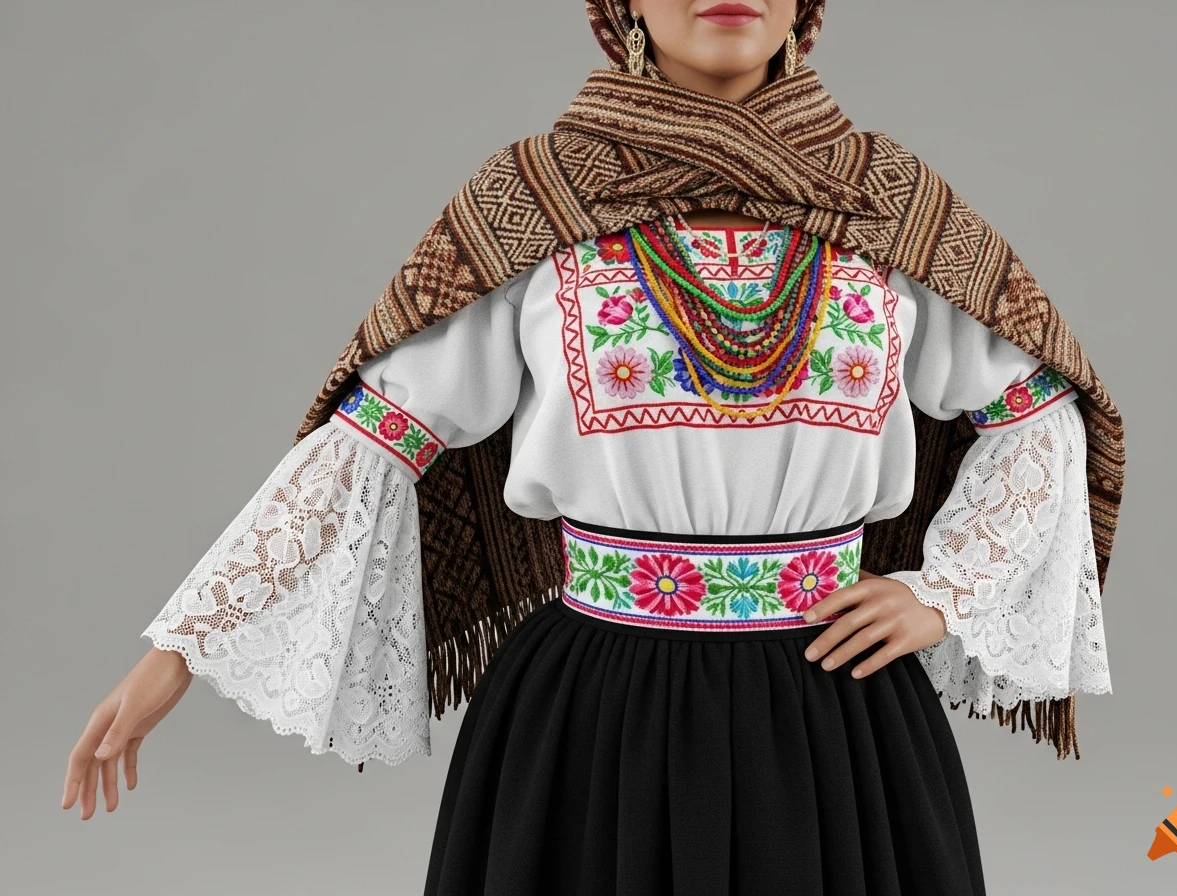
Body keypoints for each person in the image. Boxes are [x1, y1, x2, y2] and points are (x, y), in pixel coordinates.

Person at [62, 2, 1123, 893]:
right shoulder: (532, 203)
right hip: (593, 709)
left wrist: (947, 589)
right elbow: (372, 440)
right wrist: (182, 648)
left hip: (833, 706)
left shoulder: (890, 208)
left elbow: (1040, 407)